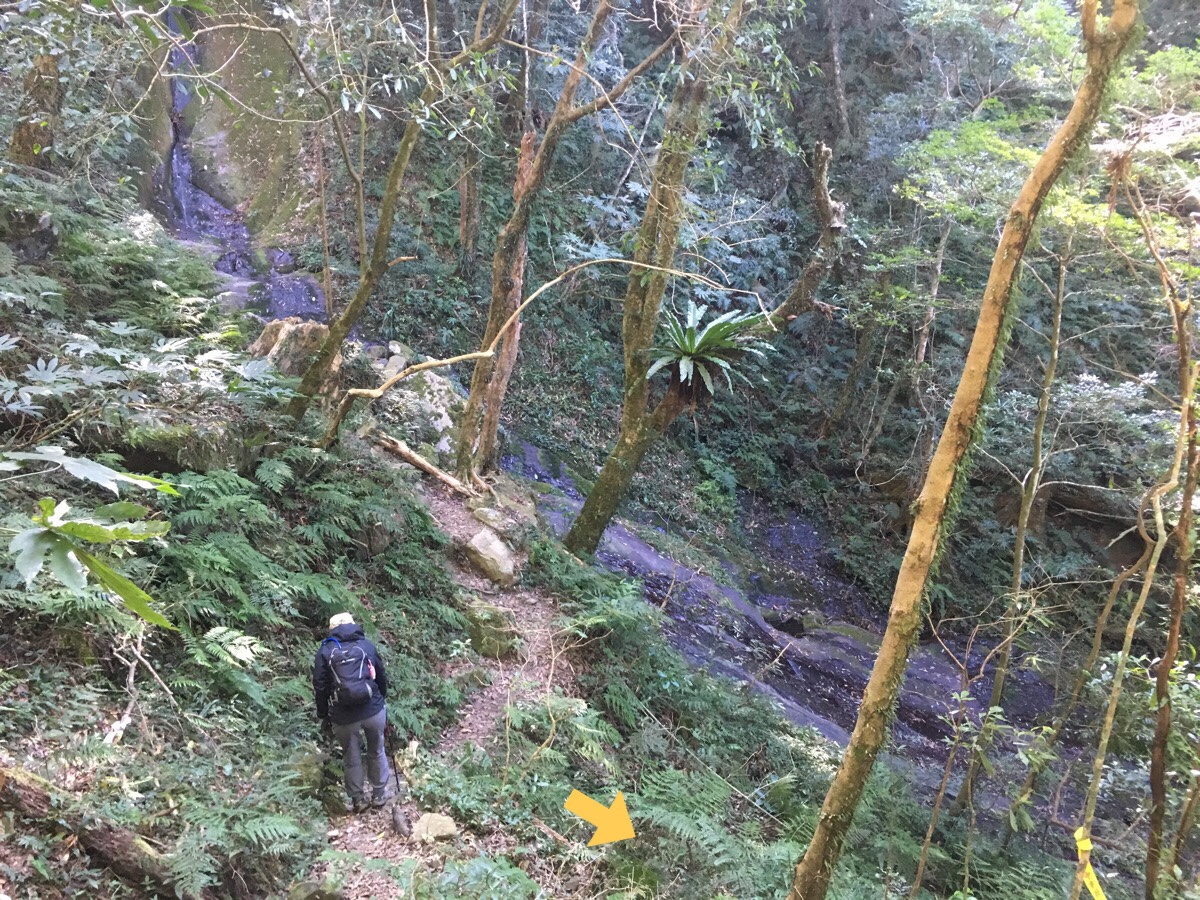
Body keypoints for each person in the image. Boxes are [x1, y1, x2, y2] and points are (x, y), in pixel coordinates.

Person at [313, 612, 394, 813]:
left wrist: (323, 714)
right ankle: (379, 794)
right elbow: (380, 675)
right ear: (352, 624)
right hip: (373, 709)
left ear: (331, 629)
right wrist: (380, 698)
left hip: (343, 716)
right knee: (377, 750)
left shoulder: (325, 651)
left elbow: (320, 687)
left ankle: (358, 800)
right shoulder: (366, 645)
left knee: (351, 757)